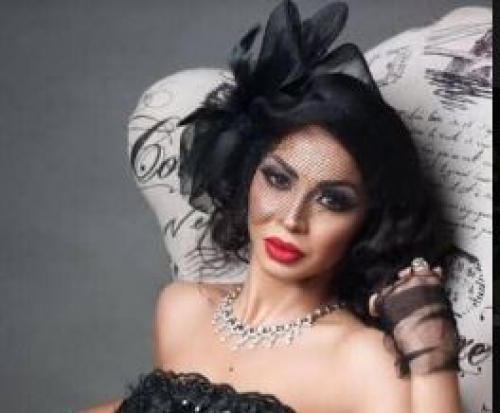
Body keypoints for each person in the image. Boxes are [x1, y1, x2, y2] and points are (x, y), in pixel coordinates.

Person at [87, 1, 462, 412]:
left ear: (367, 221)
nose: (291, 219)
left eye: (332, 200)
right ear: (247, 175)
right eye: (279, 180)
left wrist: (433, 358)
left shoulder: (362, 359)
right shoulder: (181, 308)